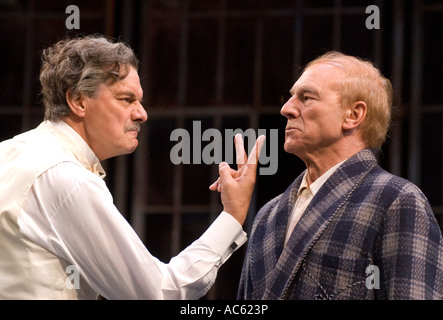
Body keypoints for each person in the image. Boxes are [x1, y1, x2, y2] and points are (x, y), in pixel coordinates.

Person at [0, 35, 264, 300]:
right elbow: (157, 293)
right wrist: (232, 215)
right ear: (79, 102)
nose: (142, 114)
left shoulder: (10, 152)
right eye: (126, 99)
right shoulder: (66, 177)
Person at [237, 51, 443, 300]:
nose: (286, 109)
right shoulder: (267, 215)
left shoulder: (396, 201)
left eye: (307, 97)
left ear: (353, 115)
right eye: (290, 97)